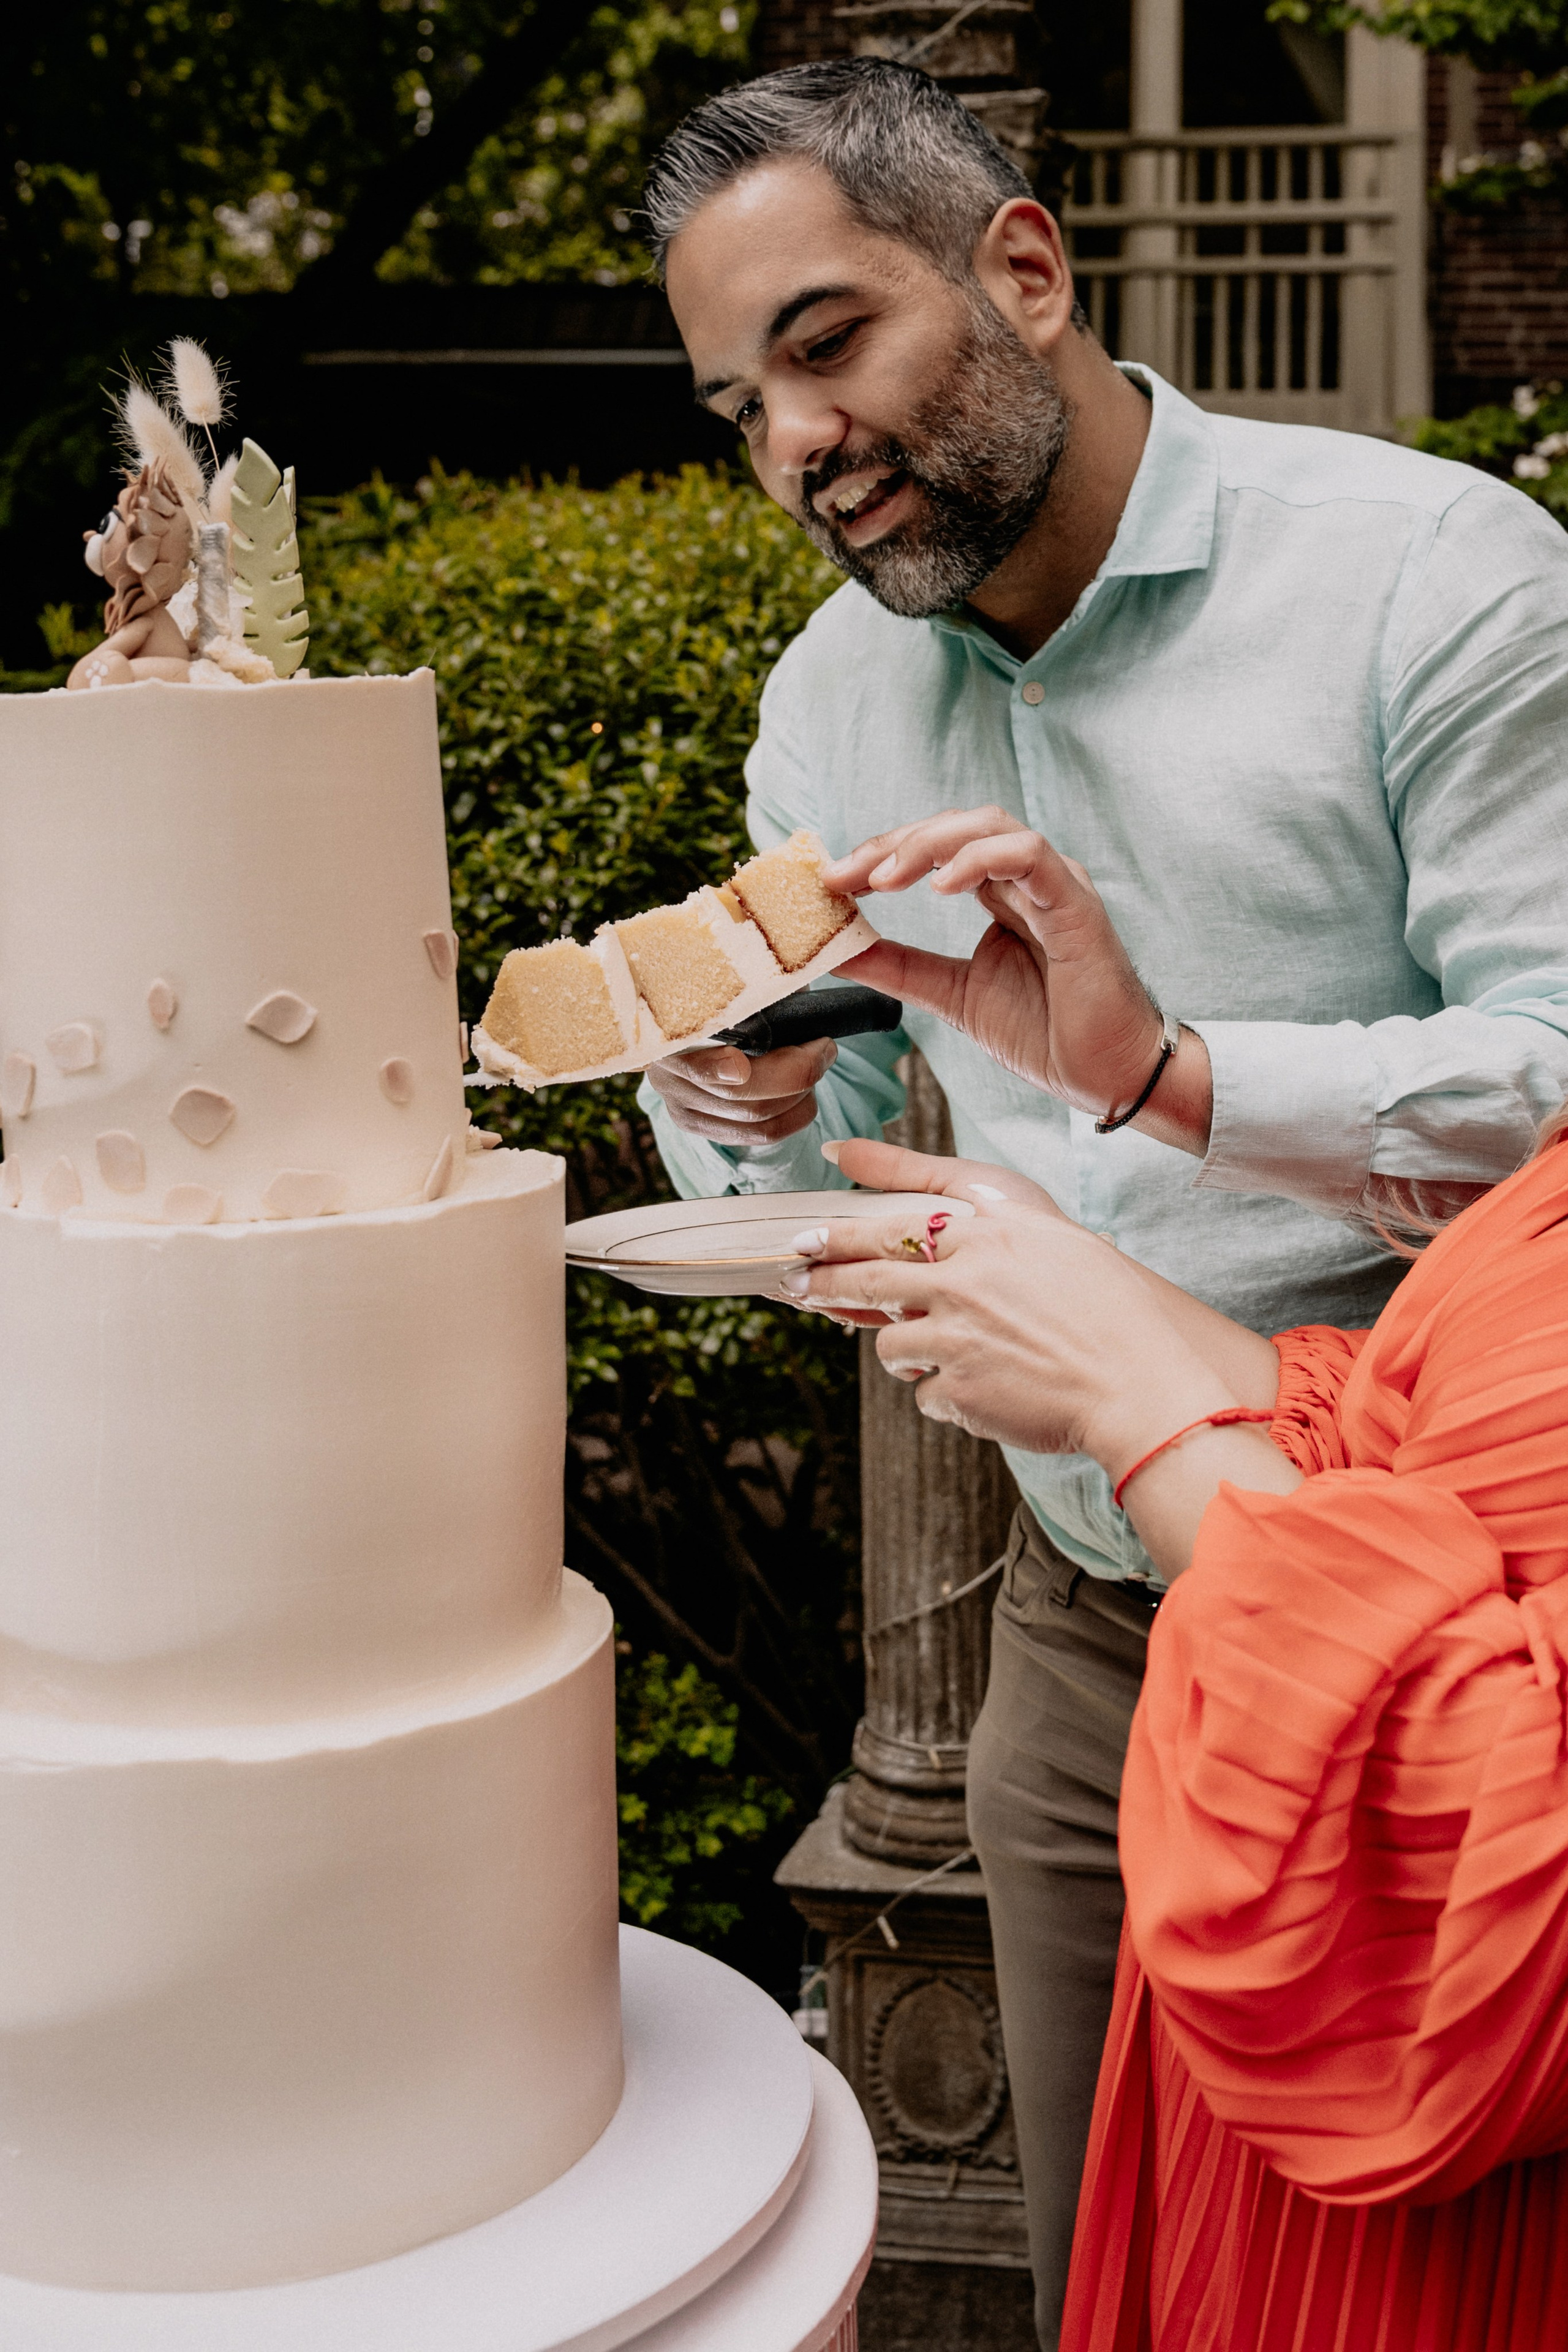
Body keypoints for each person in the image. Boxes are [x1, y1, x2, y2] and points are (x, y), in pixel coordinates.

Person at [638, 56, 1568, 2343]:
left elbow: (1559, 1102)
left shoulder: (1438, 581)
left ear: (1026, 268)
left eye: (829, 340)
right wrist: (737, 1099)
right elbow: (807, 1111)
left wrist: (1169, 1074)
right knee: (1127, 2277)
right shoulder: (825, 706)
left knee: (1408, 2274)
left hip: (1457, 1632)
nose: (790, 444)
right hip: (1071, 1643)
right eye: (735, 399)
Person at [773, 1106, 1568, 2351]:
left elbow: (1488, 1820)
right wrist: (1093, 1298)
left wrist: (1131, 1405)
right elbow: (1412, 1435)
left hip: (1442, 2229)